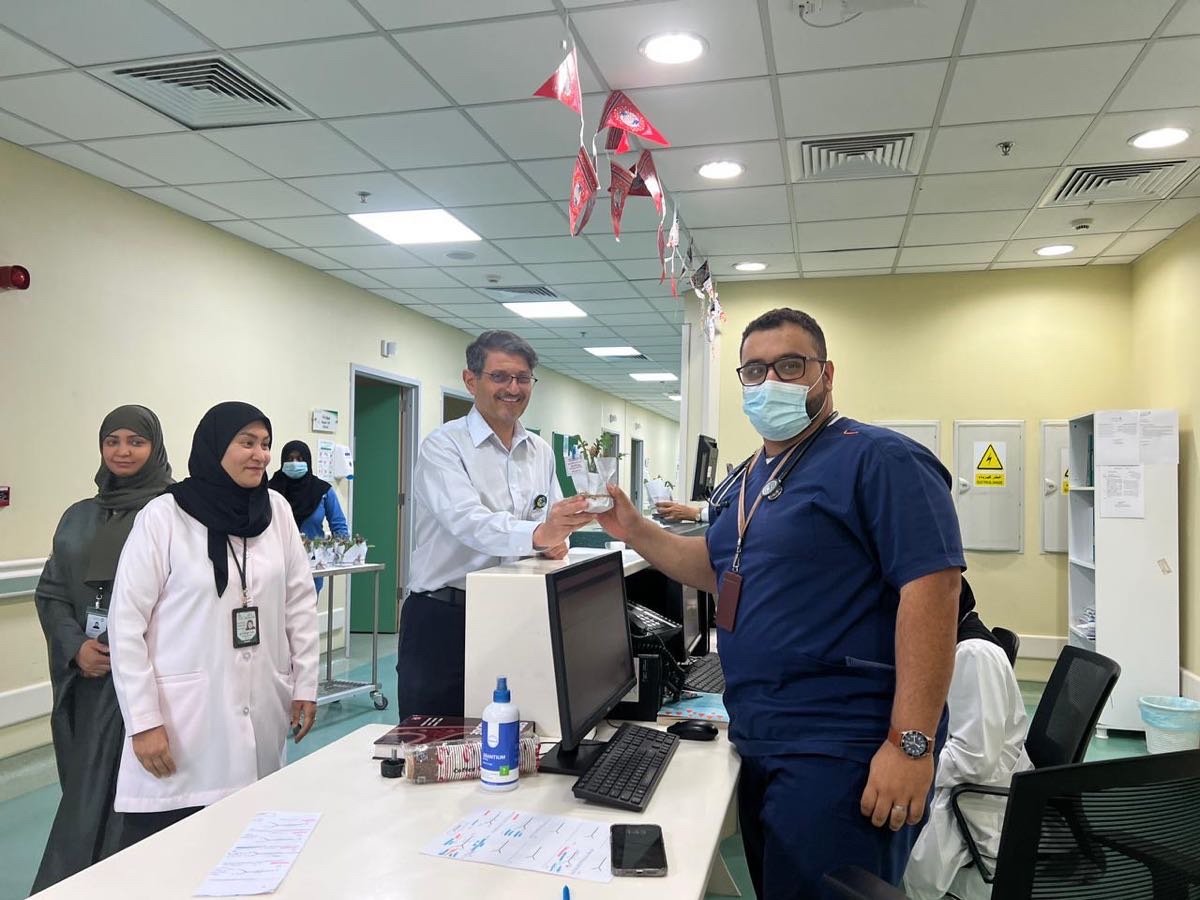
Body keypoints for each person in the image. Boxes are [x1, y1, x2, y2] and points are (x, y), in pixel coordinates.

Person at [598, 308, 964, 899]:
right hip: (761, 732)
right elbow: (719, 567)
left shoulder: (881, 460)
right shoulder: (749, 475)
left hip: (842, 744)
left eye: (790, 366)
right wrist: (635, 529)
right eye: (755, 370)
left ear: (826, 374)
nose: (770, 381)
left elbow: (934, 591)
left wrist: (910, 744)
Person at [108, 402, 319, 847]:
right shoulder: (163, 517)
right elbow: (126, 626)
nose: (261, 455)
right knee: (174, 852)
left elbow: (299, 602)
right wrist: (143, 721)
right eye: (247, 443)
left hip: (262, 702)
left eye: (265, 444)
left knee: (248, 843)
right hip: (182, 720)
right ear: (215, 447)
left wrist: (305, 684)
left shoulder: (276, 511)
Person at [398, 330, 595, 719]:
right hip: (446, 616)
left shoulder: (540, 452)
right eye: (500, 376)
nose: (513, 388)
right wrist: (539, 535)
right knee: (435, 738)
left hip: (516, 614)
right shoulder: (443, 446)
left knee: (512, 731)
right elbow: (468, 521)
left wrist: (558, 538)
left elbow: (550, 522)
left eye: (523, 378)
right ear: (471, 380)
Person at [32, 406, 173, 891]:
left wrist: (121, 647)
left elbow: (185, 597)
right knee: (85, 792)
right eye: (112, 441)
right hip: (87, 681)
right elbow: (52, 590)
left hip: (148, 683)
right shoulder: (78, 516)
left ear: (155, 447)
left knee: (133, 799)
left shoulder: (174, 513)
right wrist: (76, 648)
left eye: (136, 441)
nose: (123, 451)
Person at [902, 578, 1033, 900]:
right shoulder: (954, 643)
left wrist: (908, 758)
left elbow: (974, 760)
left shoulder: (974, 654)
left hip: (975, 800)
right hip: (973, 782)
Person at [268, 439, 348, 593]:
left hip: (312, 566)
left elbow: (339, 526)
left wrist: (342, 553)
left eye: (300, 459)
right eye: (290, 459)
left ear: (308, 461)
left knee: (307, 607)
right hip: (276, 567)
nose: (295, 463)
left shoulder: (323, 491)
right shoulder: (270, 490)